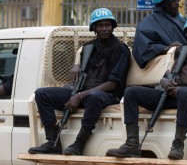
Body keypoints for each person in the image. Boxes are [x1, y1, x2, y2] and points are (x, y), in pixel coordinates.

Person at [107, 13, 187, 160]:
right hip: (174, 95)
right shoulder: (181, 51)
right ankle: (131, 144)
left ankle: (178, 144)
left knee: (184, 93)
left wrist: (186, 90)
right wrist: (165, 82)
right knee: (131, 92)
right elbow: (167, 75)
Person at [28, 8, 130, 156]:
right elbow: (80, 71)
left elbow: (112, 84)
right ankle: (52, 141)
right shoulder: (88, 47)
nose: (104, 29)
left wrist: (79, 96)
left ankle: (79, 143)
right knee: (42, 94)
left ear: (113, 26)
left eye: (107, 25)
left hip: (107, 95)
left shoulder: (120, 49)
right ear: (93, 28)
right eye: (100, 25)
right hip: (82, 92)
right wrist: (76, 65)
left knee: (94, 96)